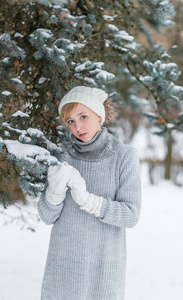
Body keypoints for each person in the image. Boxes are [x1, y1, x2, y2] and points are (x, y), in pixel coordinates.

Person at [38, 85, 141, 300]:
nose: (77, 126)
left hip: (104, 268)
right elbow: (47, 216)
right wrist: (54, 193)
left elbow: (131, 215)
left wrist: (90, 201)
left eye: (83, 116)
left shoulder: (124, 156)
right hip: (63, 267)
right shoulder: (61, 155)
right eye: (71, 121)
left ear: (99, 115)